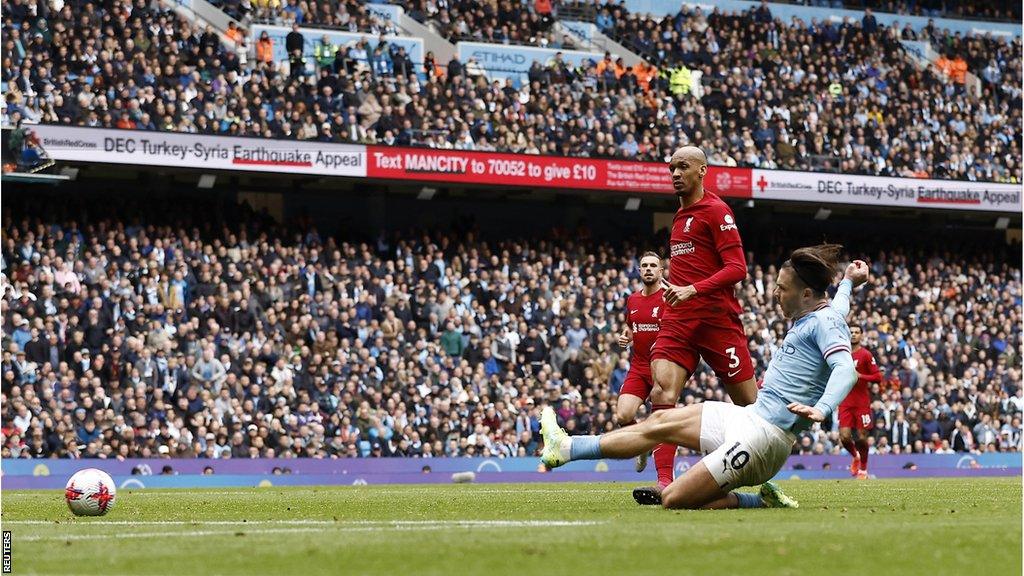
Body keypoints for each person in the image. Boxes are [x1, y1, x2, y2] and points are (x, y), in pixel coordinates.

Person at [540, 247, 869, 510]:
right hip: (748, 416)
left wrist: (823, 408)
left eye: (782, 289)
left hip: (764, 441)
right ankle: (566, 447)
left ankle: (758, 500)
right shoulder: (821, 311)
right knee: (659, 421)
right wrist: (849, 282)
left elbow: (845, 369)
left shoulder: (825, 323)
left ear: (808, 294)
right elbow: (838, 303)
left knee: (673, 499)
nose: (775, 294)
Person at [634, 146, 758, 505]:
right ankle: (664, 482)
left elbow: (737, 268)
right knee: (662, 394)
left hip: (718, 321)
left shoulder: (717, 211)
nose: (674, 173)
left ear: (702, 170)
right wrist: (680, 292)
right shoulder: (678, 216)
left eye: (682, 167)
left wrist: (693, 289)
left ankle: (756, 473)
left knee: (751, 409)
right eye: (671, 168)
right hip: (679, 319)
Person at [615, 251, 665, 473]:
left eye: (653, 266)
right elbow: (631, 328)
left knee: (662, 420)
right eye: (644, 265)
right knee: (623, 415)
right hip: (638, 366)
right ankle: (644, 447)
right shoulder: (633, 299)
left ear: (661, 271)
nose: (648, 269)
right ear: (639, 270)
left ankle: (664, 475)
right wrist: (626, 337)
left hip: (662, 369)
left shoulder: (668, 298)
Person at [838, 324, 881, 479]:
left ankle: (863, 469)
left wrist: (861, 376)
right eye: (851, 332)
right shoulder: (841, 354)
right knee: (844, 436)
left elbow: (878, 377)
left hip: (861, 402)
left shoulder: (866, 355)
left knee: (862, 437)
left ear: (861, 335)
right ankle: (855, 456)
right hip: (845, 400)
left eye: (857, 332)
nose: (854, 335)